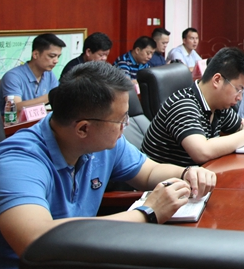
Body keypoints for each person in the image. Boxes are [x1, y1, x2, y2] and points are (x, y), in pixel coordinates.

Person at [0, 62, 216, 268]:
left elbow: (149, 171)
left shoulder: (102, 142)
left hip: (85, 255)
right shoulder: (20, 161)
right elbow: (36, 241)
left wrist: (187, 173)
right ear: (83, 129)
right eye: (121, 120)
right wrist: (147, 213)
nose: (126, 125)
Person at [141, 47, 244, 167]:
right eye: (238, 90)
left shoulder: (219, 106)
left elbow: (241, 126)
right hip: (166, 180)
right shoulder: (183, 104)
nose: (240, 98)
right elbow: (202, 151)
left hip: (199, 176)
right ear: (217, 80)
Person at [1, 33, 65, 109]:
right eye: (52, 56)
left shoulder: (49, 74)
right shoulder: (12, 77)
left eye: (58, 57)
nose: (56, 61)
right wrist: (50, 96)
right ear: (35, 54)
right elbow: (14, 108)